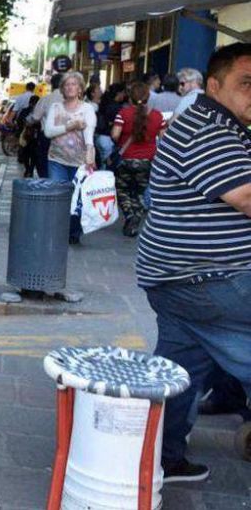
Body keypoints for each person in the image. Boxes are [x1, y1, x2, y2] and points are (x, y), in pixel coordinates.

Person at [136, 42, 251, 484]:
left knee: (180, 367)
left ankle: (162, 456)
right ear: (215, 84)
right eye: (245, 83)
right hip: (210, 278)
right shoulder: (209, 128)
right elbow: (245, 196)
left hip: (177, 279)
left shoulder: (223, 125)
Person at [42, 71, 96, 244]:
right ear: (62, 89)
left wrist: (90, 156)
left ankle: (74, 232)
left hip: (79, 162)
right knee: (58, 196)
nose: (70, 87)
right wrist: (70, 125)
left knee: (78, 198)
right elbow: (48, 132)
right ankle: (58, 231)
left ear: (80, 89)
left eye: (74, 84)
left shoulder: (87, 109)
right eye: (67, 85)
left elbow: (89, 135)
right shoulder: (55, 107)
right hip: (56, 159)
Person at [111, 82, 165, 237]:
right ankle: (137, 216)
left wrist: (120, 140)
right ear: (148, 97)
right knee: (140, 192)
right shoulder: (157, 116)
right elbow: (164, 138)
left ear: (130, 97)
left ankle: (129, 214)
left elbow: (115, 134)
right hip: (148, 160)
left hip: (126, 159)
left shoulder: (124, 114)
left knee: (122, 189)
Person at [29, 73, 65, 179]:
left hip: (47, 137)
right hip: (65, 137)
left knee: (43, 161)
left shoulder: (45, 99)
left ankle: (46, 182)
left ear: (52, 85)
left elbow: (35, 118)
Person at [94, 83, 127, 167]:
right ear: (118, 93)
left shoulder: (104, 104)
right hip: (108, 139)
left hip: (99, 136)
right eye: (123, 92)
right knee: (108, 165)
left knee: (102, 163)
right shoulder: (117, 108)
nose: (124, 95)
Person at [16, 95, 40, 177]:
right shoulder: (26, 111)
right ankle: (29, 169)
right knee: (27, 154)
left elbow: (19, 120)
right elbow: (19, 120)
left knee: (32, 154)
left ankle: (30, 170)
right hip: (27, 136)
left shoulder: (39, 112)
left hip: (34, 137)